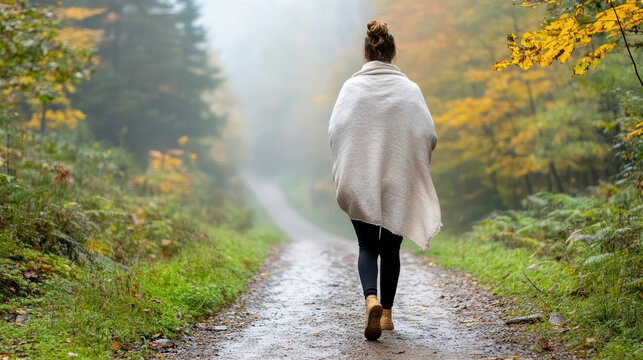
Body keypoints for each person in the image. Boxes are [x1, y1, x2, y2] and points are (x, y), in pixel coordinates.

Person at [328, 19, 442, 341]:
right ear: (392, 54)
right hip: (399, 180)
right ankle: (388, 316)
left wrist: (350, 163)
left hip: (360, 176)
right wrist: (411, 160)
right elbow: (428, 134)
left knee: (366, 245)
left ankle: (371, 299)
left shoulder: (351, 89)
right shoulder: (410, 90)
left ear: (366, 53)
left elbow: (336, 131)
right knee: (391, 249)